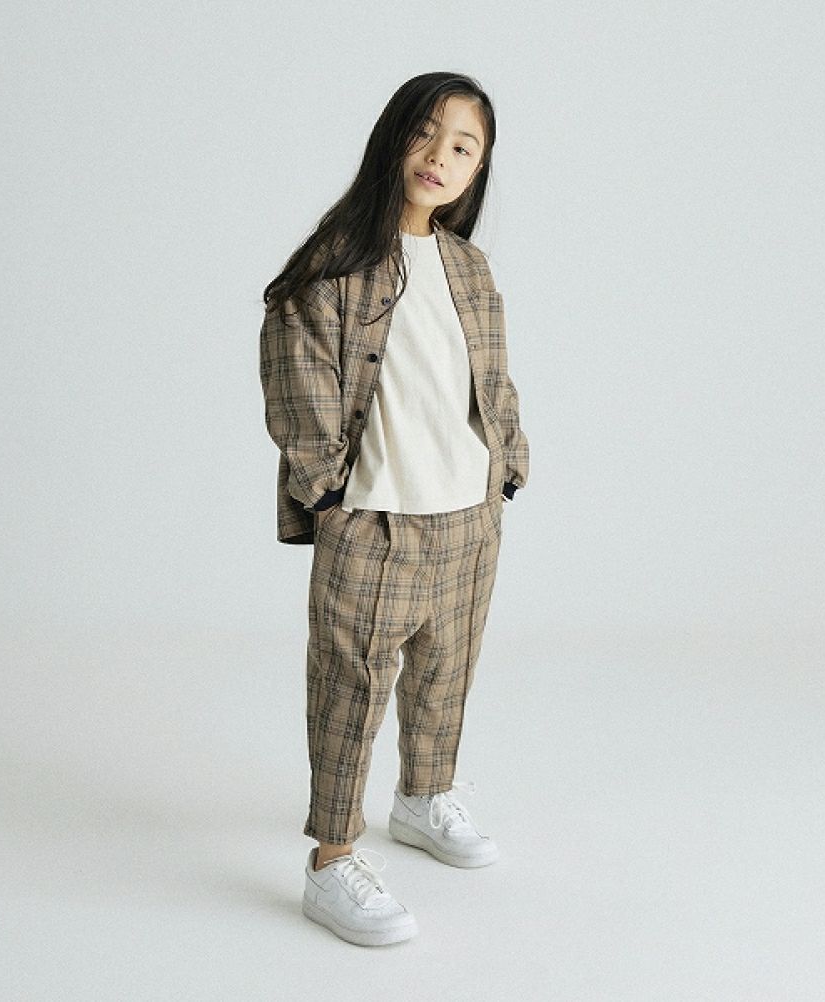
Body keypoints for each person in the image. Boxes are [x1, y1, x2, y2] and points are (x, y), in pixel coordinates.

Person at [258, 71, 530, 946]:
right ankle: (332, 858)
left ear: (479, 168)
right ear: (393, 136)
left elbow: (494, 379)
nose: (439, 156)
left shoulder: (469, 266)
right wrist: (326, 492)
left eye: (463, 146)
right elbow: (296, 380)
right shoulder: (334, 262)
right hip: (373, 518)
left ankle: (423, 797)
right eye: (426, 132)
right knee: (349, 690)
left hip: (469, 515)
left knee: (447, 673)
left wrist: (510, 465)